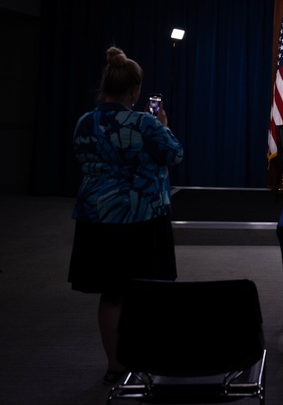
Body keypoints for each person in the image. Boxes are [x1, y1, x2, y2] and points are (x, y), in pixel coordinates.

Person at [68, 46, 184, 385]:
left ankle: (115, 366)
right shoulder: (145, 122)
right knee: (149, 290)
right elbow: (174, 156)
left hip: (96, 219)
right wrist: (165, 126)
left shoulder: (84, 121)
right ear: (135, 90)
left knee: (112, 293)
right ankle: (148, 356)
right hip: (142, 217)